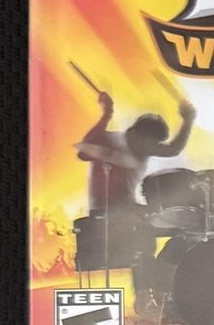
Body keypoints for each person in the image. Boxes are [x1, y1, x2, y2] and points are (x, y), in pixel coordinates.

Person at [76, 88, 195, 307]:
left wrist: (188, 120)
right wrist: (106, 114)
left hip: (129, 207)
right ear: (134, 133)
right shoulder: (111, 141)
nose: (151, 150)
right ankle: (144, 296)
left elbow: (173, 149)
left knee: (178, 226)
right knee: (143, 235)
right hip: (106, 209)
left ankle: (165, 286)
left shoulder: (145, 147)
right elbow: (83, 152)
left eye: (154, 145)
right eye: (149, 144)